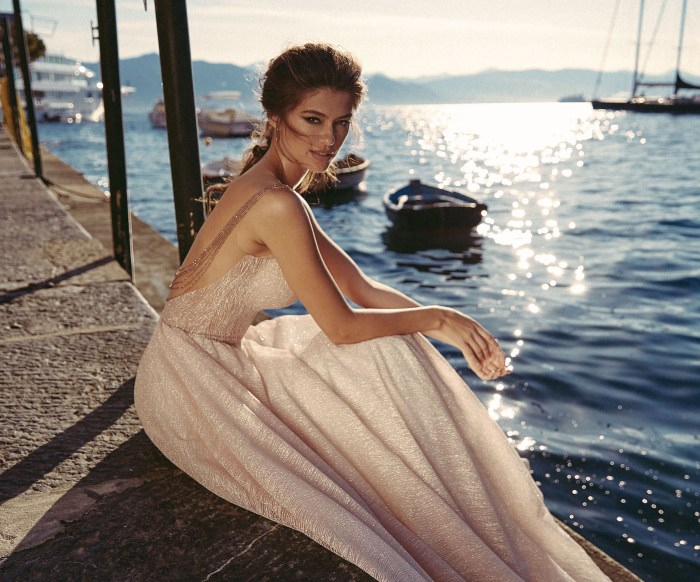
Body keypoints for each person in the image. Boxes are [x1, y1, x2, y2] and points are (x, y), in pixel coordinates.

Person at [135, 43, 610, 581]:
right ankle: (460, 501)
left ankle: (452, 492)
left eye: (341, 122)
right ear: (275, 117)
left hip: (193, 358)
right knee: (381, 351)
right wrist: (435, 321)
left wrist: (452, 321)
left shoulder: (278, 191)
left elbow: (360, 286)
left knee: (394, 343)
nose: (329, 139)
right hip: (192, 381)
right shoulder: (275, 202)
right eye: (312, 119)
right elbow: (341, 325)